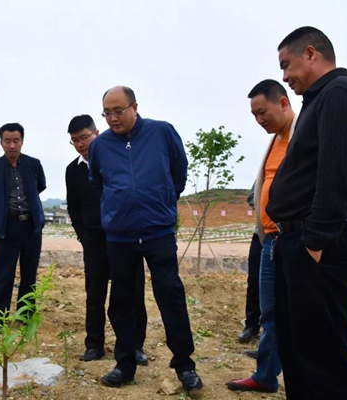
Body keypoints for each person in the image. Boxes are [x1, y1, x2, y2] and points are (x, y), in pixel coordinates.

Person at [267, 27, 347, 399]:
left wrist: (314, 242)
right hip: (299, 241)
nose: (284, 76)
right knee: (298, 349)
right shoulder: (317, 101)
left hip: (320, 242)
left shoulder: (341, 95)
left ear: (311, 53)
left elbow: (337, 171)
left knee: (322, 355)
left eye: (287, 65)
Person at [89, 86, 203, 397]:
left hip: (158, 232)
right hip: (120, 236)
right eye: (107, 112)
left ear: (134, 107)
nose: (113, 117)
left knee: (171, 297)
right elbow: (98, 183)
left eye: (118, 110)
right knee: (122, 302)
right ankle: (125, 365)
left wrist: (163, 200)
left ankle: (185, 366)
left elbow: (178, 172)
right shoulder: (100, 147)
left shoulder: (161, 133)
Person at [227, 79, 296, 393]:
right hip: (270, 241)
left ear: (283, 103)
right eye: (254, 115)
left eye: (262, 112)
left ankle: (303, 380)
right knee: (270, 314)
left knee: (297, 314)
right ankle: (266, 376)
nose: (259, 120)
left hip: (295, 240)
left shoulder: (303, 134)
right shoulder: (276, 140)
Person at [65, 114, 148, 364]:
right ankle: (94, 345)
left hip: (124, 238)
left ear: (96, 134)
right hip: (94, 241)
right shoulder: (73, 170)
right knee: (95, 293)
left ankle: (135, 346)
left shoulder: (117, 159)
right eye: (75, 141)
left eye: (84, 138)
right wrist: (83, 236)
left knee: (133, 294)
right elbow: (74, 207)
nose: (81, 144)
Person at [0, 123, 46, 322]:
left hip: (31, 226)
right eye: (7, 141)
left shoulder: (33, 164)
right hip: (7, 228)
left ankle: (25, 316)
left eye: (16, 141)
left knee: (29, 275)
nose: (12, 145)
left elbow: (40, 186)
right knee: (4, 275)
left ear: (22, 142)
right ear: (1, 142)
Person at [240, 182, 262, 346]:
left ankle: (274, 333)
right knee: (254, 281)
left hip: (289, 234)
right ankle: (251, 325)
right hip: (261, 234)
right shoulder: (267, 163)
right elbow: (252, 196)